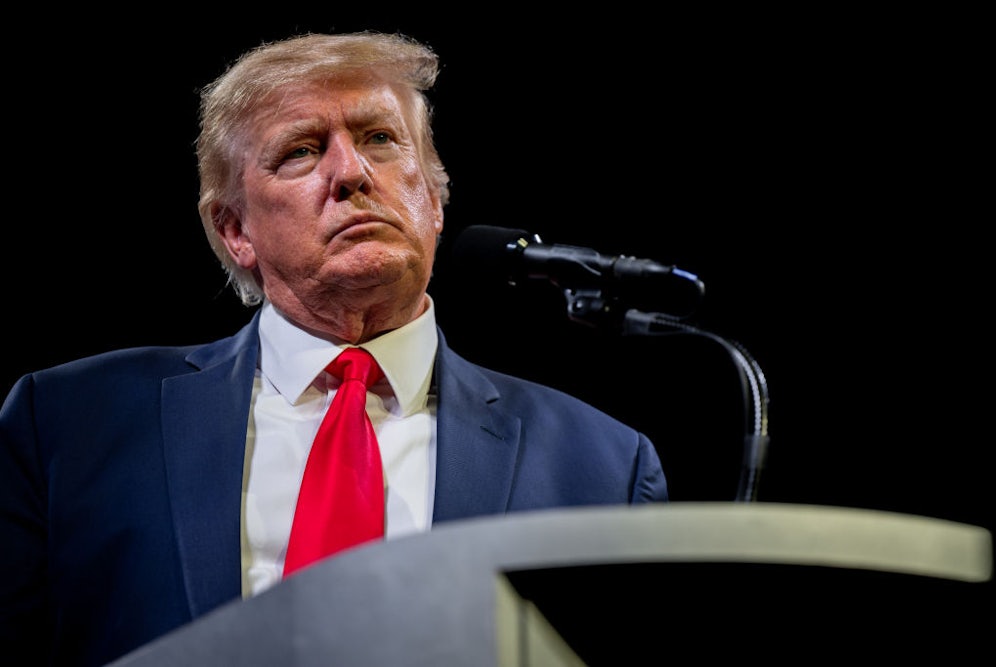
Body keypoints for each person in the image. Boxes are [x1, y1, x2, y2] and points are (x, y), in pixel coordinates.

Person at [0, 30, 667, 666]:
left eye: (380, 139)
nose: (350, 171)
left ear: (433, 201)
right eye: (301, 150)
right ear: (235, 230)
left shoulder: (601, 465)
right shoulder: (70, 424)